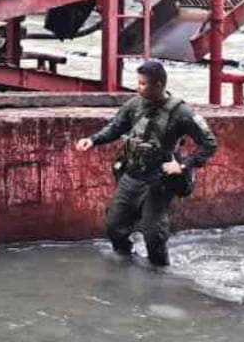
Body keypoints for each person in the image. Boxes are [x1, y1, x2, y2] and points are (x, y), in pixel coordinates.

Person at [74, 60, 218, 267]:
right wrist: (93, 140)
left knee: (153, 235)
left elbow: (209, 144)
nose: (138, 87)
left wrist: (184, 164)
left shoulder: (181, 112)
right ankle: (125, 262)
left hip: (157, 181)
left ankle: (159, 274)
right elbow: (115, 127)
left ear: (159, 85)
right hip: (131, 176)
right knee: (114, 226)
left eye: (143, 84)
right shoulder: (134, 104)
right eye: (138, 82)